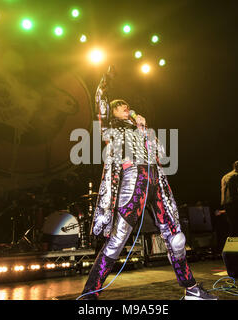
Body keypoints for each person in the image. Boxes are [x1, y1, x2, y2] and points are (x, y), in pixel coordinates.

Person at [79, 66, 217, 300]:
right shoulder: (110, 129)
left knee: (176, 237)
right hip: (133, 181)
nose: (127, 108)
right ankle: (89, 293)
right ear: (114, 112)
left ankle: (192, 289)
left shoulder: (143, 129)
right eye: (121, 106)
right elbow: (100, 107)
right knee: (117, 239)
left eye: (127, 105)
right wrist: (103, 81)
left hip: (156, 180)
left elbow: (161, 155)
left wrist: (144, 129)